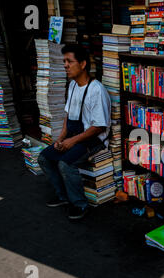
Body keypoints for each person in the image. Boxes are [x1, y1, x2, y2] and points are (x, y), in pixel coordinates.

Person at [38, 43, 111, 220]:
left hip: (93, 139)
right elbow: (68, 115)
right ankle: (63, 196)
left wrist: (73, 141)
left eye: (69, 61)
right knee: (44, 158)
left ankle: (80, 204)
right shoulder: (72, 86)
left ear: (83, 64)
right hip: (74, 136)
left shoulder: (96, 90)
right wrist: (61, 138)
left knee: (65, 163)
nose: (65, 65)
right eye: (64, 61)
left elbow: (99, 127)